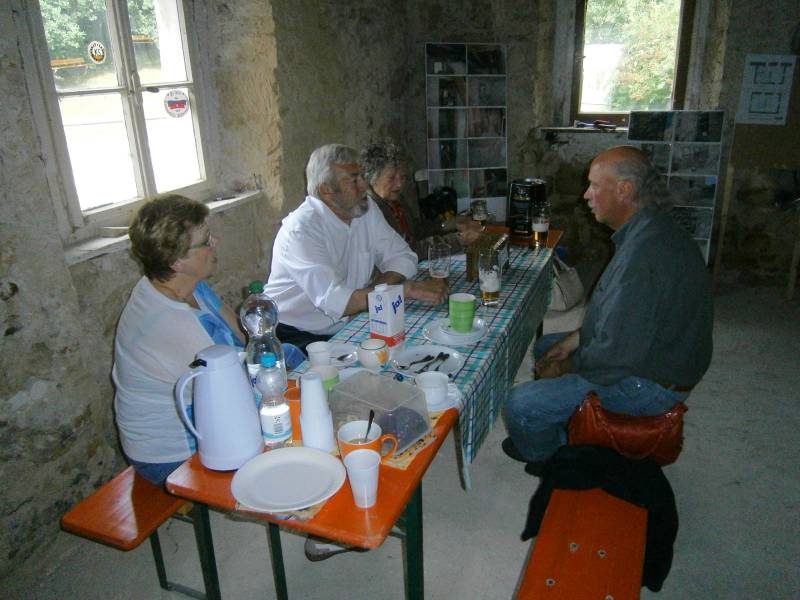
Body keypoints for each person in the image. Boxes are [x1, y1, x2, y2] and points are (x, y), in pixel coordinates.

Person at [502, 146, 713, 472]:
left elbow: (615, 358)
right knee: (547, 346)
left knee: (520, 405)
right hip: (656, 357)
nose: (586, 195)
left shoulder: (642, 257)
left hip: (651, 384)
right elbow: (621, 318)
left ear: (624, 190)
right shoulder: (651, 228)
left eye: (594, 186)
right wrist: (574, 339)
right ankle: (569, 422)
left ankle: (554, 457)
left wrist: (566, 367)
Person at [113, 195, 304, 485]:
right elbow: (235, 395)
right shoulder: (169, 324)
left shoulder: (186, 286)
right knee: (290, 440)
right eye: (205, 241)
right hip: (174, 452)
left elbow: (243, 335)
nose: (216, 242)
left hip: (220, 397)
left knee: (290, 357)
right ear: (176, 261)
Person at [263, 143, 449, 352]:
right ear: (326, 190)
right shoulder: (301, 230)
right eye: (354, 180)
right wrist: (404, 291)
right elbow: (335, 301)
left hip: (350, 321)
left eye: (362, 176)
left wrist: (378, 294)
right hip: (295, 336)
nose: (364, 186)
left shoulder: (364, 209)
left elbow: (403, 257)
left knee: (424, 341)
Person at [360, 139, 483, 258]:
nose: (399, 184)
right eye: (391, 178)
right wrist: (460, 239)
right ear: (372, 179)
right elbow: (408, 250)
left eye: (403, 177)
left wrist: (451, 224)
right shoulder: (370, 211)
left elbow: (416, 229)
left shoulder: (395, 200)